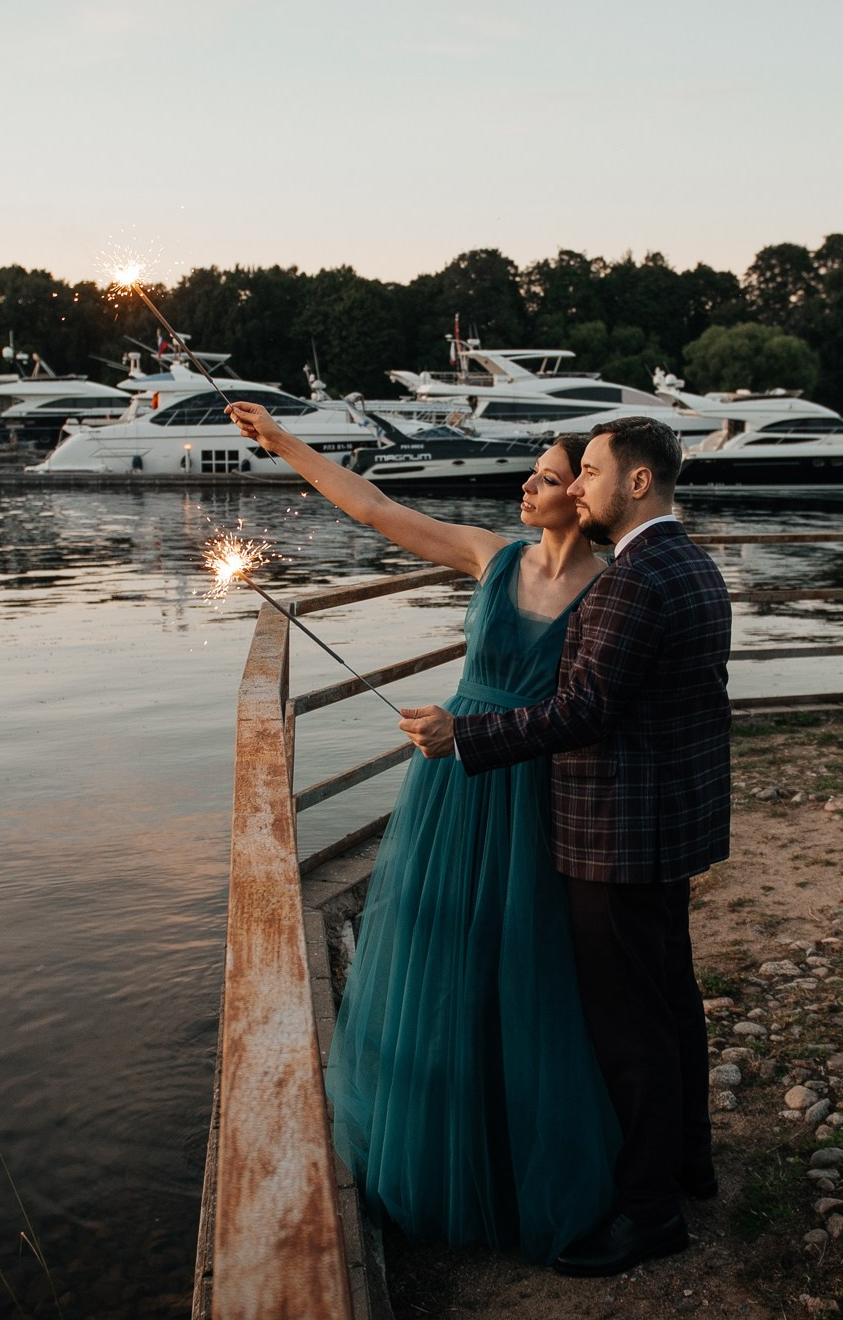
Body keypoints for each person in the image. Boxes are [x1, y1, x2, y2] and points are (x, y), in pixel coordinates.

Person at [223, 400, 621, 1262]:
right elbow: (375, 508)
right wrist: (282, 440)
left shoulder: (610, 588)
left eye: (548, 478)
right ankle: (438, 1151)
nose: (528, 485)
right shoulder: (494, 555)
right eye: (538, 473)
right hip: (448, 782)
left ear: (580, 502)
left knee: (522, 970)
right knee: (436, 956)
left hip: (527, 787)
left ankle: (516, 1165)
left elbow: (598, 708)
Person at [398, 415, 732, 1278]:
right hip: (669, 828)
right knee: (670, 1006)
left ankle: (649, 1213)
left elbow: (582, 711)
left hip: (614, 837)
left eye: (587, 471)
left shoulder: (629, 582)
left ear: (638, 483)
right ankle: (689, 1167)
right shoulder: (692, 565)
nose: (576, 487)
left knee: (629, 1031)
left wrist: (468, 739)